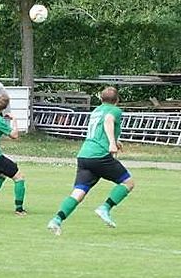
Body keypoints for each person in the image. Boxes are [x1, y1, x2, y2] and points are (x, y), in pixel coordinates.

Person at [47, 86, 135, 235]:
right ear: (117, 100)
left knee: (78, 192)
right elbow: (108, 121)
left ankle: (57, 220)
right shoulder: (114, 110)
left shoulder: (96, 111)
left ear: (101, 99)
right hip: (99, 156)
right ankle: (105, 208)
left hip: (84, 155)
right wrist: (112, 143)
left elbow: (99, 131)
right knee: (128, 183)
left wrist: (114, 141)